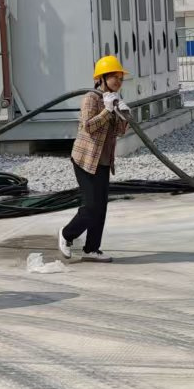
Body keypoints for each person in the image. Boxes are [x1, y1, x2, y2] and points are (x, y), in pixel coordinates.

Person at [58, 55, 131, 263]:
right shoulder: (91, 98)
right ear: (102, 78)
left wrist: (124, 116)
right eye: (114, 77)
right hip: (85, 160)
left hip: (104, 161)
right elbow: (88, 126)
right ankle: (66, 234)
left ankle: (91, 249)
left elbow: (119, 131)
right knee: (91, 207)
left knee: (101, 208)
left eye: (120, 78)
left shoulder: (113, 100)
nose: (118, 82)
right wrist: (107, 111)